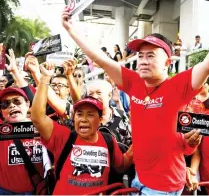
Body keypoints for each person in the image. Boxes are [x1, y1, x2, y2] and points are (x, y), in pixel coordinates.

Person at [62, 0, 209, 194]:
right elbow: (99, 59)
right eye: (140, 56)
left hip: (163, 187)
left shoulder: (177, 86)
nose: (143, 61)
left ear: (167, 62)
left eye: (151, 56)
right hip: (139, 178)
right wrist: (71, 29)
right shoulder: (133, 82)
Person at [30, 62, 133, 195]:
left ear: (100, 120)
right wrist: (44, 78)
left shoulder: (108, 141)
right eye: (79, 114)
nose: (83, 119)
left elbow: (122, 164)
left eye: (90, 114)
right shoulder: (63, 137)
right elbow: (37, 117)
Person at [0, 45, 43, 194]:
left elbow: (43, 101)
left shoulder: (44, 127)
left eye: (17, 101)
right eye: (5, 104)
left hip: (38, 191)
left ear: (28, 104)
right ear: (1, 111)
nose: (11, 106)